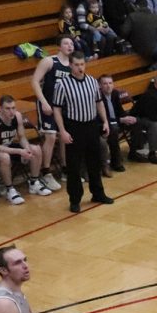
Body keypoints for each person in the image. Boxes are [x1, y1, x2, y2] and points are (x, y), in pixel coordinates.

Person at [51, 51, 115, 213]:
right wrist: (63, 131)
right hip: (74, 127)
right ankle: (75, 200)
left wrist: (105, 121)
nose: (80, 68)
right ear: (70, 65)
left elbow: (99, 102)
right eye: (77, 65)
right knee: (74, 165)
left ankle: (98, 193)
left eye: (82, 64)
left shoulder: (93, 81)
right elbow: (57, 109)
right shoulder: (62, 84)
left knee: (94, 161)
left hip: (91, 125)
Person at [0, 95, 53, 203]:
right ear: (1, 109)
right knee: (5, 157)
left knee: (36, 149)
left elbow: (22, 137)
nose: (11, 111)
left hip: (8, 145)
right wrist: (20, 151)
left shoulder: (17, 116)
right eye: (7, 108)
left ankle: (34, 183)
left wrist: (26, 149)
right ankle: (9, 190)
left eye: (13, 108)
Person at [29, 36, 74, 187]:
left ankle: (66, 169)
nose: (69, 45)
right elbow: (35, 81)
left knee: (65, 136)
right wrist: (43, 102)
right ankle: (46, 172)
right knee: (51, 136)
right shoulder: (49, 61)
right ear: (59, 47)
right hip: (47, 104)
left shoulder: (72, 65)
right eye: (66, 43)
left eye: (71, 43)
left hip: (62, 107)